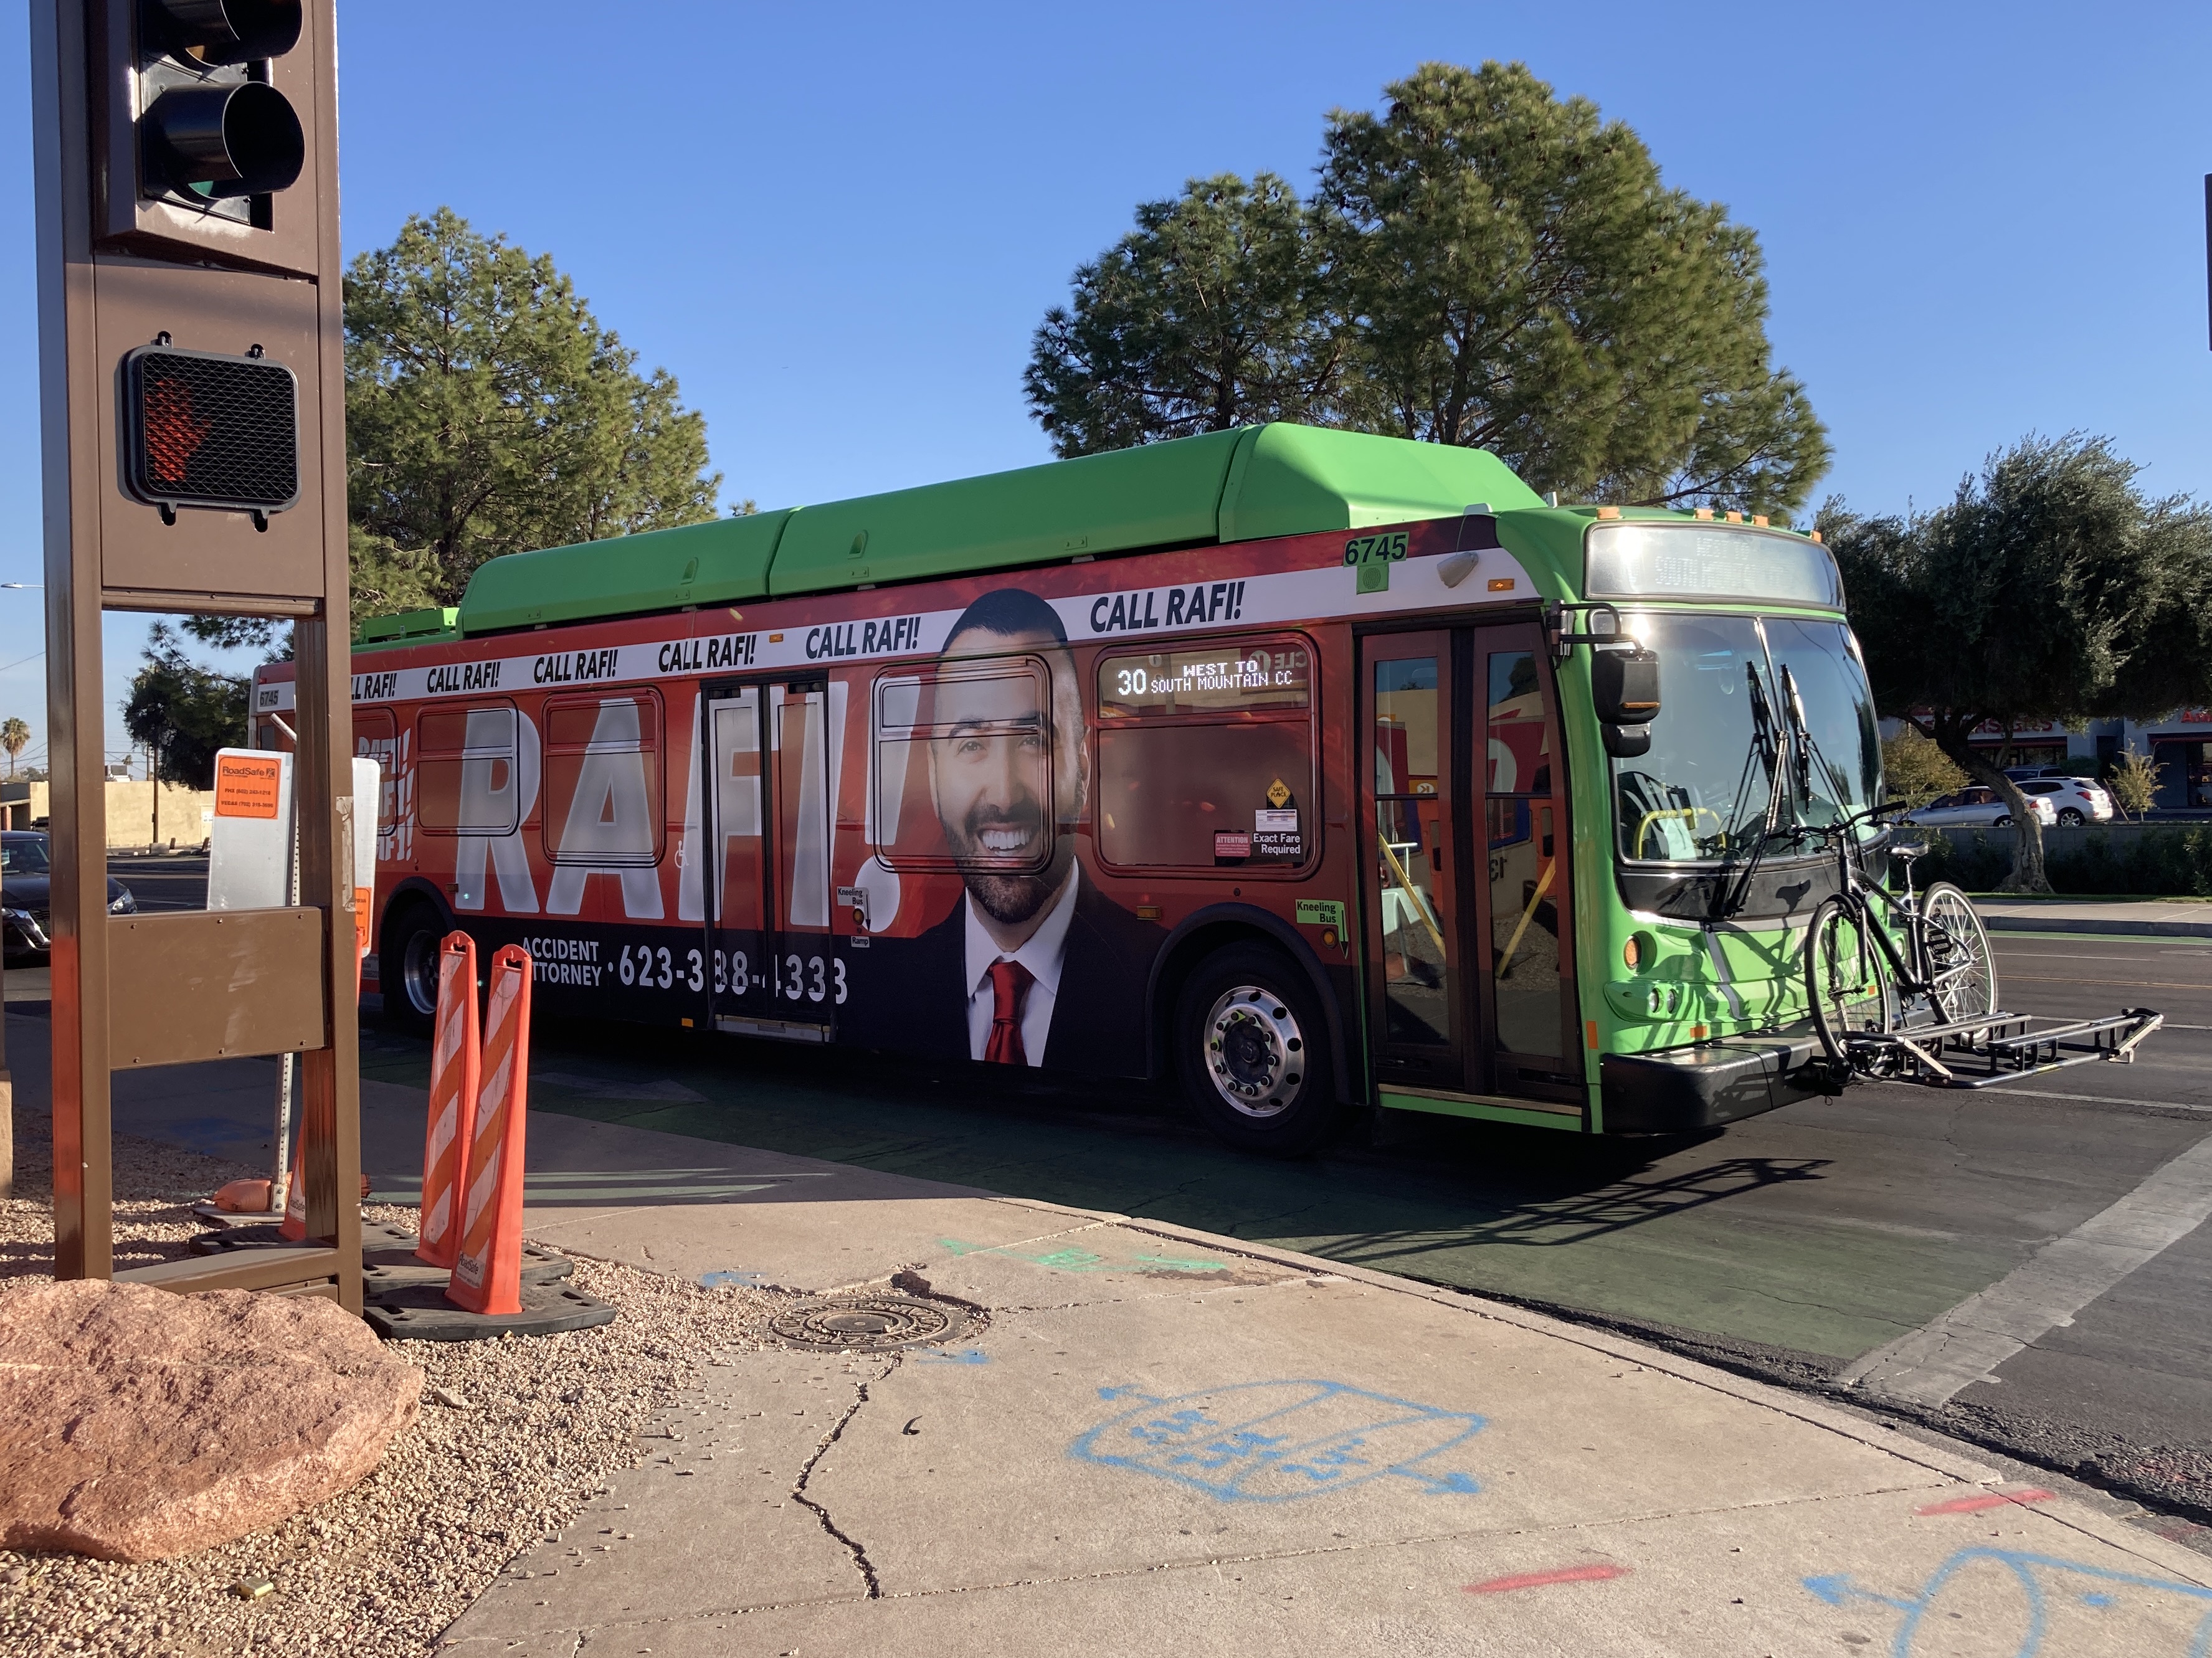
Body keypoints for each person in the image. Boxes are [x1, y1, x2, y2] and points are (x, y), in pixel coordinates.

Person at [865, 587, 1166, 1073]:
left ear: (1083, 769)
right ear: (934, 775)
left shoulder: (1148, 967)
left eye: (1033, 740)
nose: (1004, 796)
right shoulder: (880, 986)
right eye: (971, 745)